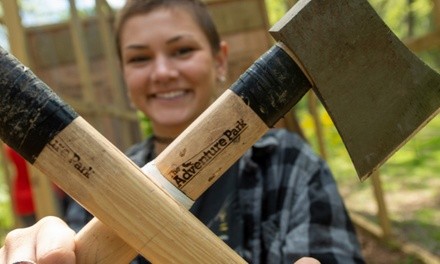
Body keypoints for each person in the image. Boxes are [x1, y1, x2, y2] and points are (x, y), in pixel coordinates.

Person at [0, 0, 365, 263]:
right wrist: (47, 250)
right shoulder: (98, 185)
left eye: (182, 50)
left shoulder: (288, 164)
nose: (161, 72)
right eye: (140, 58)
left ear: (219, 60)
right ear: (125, 76)